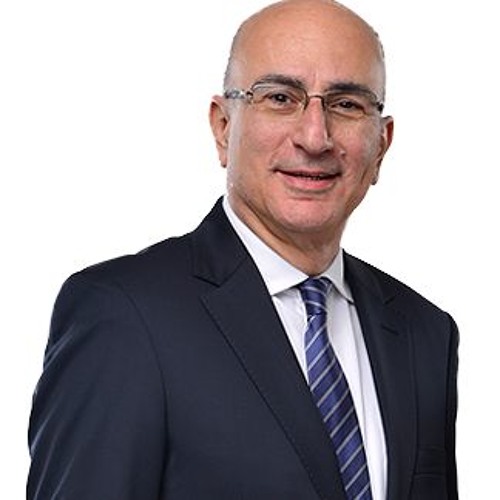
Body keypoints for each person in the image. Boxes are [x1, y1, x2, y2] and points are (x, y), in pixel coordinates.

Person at [27, 0, 459, 499]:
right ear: (223, 127)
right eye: (280, 98)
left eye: (346, 104)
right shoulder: (123, 315)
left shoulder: (424, 333)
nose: (314, 137)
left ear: (381, 144)